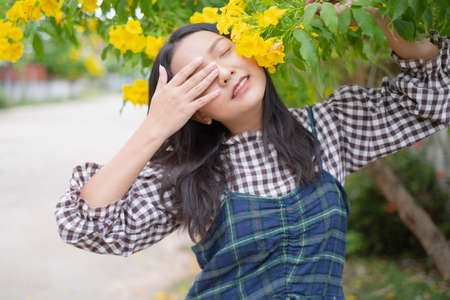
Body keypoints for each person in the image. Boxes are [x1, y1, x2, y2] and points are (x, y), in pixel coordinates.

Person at [54, 7, 449, 299]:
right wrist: (157, 126)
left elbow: (437, 95)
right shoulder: (191, 175)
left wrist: (378, 18)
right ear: (198, 112)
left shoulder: (331, 127)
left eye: (224, 51)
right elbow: (85, 225)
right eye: (199, 78)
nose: (222, 72)